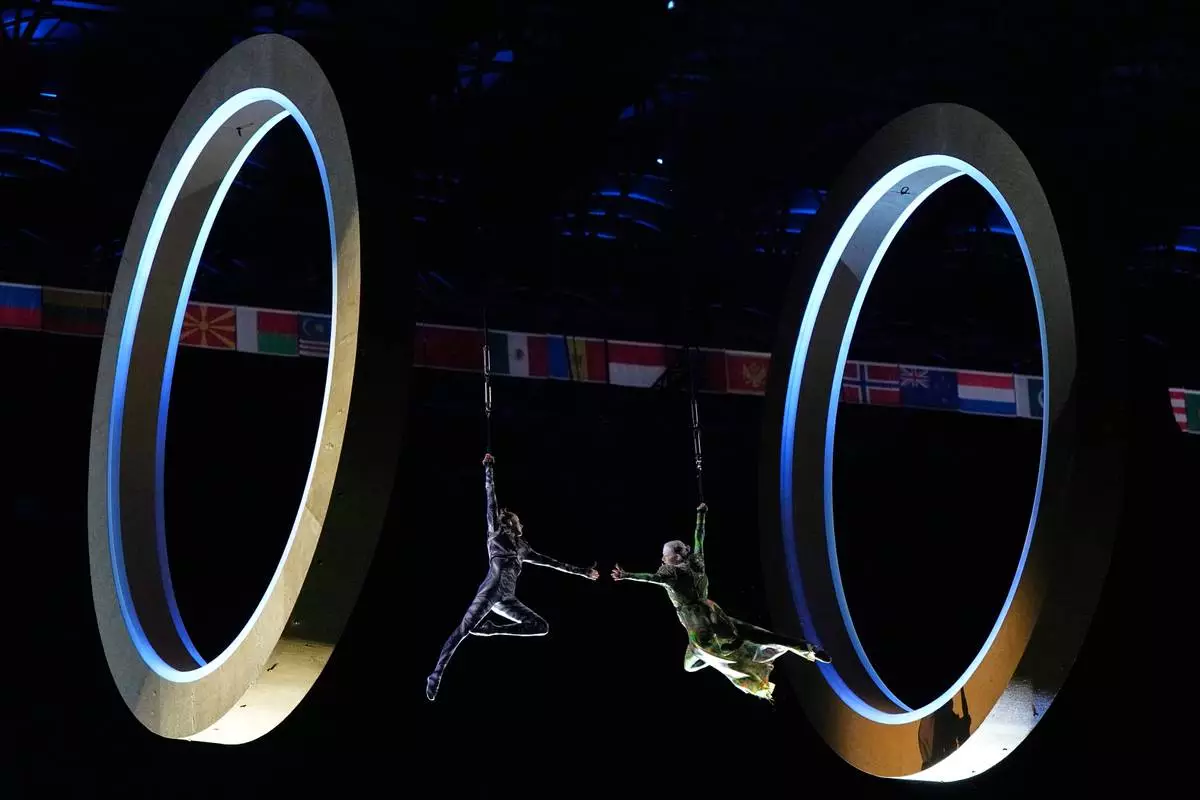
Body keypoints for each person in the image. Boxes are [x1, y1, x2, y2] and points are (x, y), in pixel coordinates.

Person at [425, 453, 599, 701]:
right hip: (490, 591)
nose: (522, 525)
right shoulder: (496, 533)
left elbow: (551, 562)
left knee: (541, 627)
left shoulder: (523, 548)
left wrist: (582, 571)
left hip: (506, 598)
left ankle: (492, 629)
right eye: (519, 521)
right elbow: (491, 501)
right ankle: (435, 675)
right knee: (462, 630)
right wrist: (489, 469)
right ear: (509, 523)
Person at [612, 502, 829, 701]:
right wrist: (701, 515)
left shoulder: (671, 574)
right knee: (754, 635)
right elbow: (699, 536)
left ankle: (744, 669)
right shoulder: (695, 563)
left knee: (720, 658)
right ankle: (807, 648)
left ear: (669, 558)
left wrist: (626, 575)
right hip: (711, 612)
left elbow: (652, 578)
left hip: (697, 623)